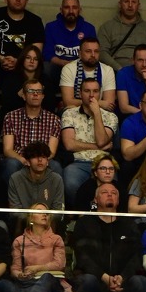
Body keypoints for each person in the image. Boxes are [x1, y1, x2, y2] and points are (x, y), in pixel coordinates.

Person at [72, 183, 146, 292]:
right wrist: (104, 277)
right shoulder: (84, 223)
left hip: (123, 282)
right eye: (105, 192)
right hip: (96, 280)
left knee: (141, 282)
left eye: (114, 193)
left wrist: (122, 277)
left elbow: (136, 256)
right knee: (87, 281)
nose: (110, 195)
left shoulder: (129, 224)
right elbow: (83, 257)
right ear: (95, 199)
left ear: (118, 200)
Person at [11, 205, 69, 292]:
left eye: (47, 213)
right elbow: (15, 268)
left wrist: (37, 268)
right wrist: (20, 274)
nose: (45, 215)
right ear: (31, 217)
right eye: (40, 212)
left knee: (46, 278)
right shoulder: (20, 241)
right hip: (29, 282)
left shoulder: (56, 239)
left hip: (53, 282)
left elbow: (59, 264)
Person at [60, 78, 117, 207]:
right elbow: (69, 145)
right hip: (78, 162)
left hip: (103, 163)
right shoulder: (69, 114)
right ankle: (82, 214)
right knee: (70, 181)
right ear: (80, 93)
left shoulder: (110, 116)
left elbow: (102, 140)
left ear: (100, 93)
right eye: (87, 91)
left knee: (111, 188)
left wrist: (97, 113)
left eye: (95, 91)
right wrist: (97, 147)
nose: (91, 95)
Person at [1, 79, 62, 182]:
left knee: (56, 166)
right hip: (19, 159)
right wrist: (23, 160)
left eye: (38, 91)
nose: (35, 94)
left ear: (43, 96)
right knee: (10, 164)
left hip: (43, 159)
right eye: (31, 91)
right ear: (24, 96)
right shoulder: (10, 117)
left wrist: (37, 161)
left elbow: (51, 152)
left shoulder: (54, 120)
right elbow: (8, 150)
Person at [97, 0, 146, 73]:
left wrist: (142, 68)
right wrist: (120, 69)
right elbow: (102, 52)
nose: (130, 5)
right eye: (126, 1)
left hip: (143, 71)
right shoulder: (107, 27)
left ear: (138, 5)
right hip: (115, 71)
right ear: (120, 4)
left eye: (133, 2)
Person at [42, 0, 97, 89]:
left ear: (79, 10)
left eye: (74, 7)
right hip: (58, 67)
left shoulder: (89, 28)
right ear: (61, 10)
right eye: (67, 7)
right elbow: (47, 54)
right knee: (46, 67)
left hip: (81, 67)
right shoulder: (51, 27)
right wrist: (63, 63)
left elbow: (92, 53)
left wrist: (76, 65)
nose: (71, 11)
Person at [7, 141, 65, 220]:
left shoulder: (56, 179)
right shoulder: (15, 178)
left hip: (48, 224)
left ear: (47, 161)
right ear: (28, 162)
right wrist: (34, 219)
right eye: (35, 157)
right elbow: (15, 212)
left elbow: (58, 211)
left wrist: (43, 219)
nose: (40, 160)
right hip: (23, 224)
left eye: (43, 157)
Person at [60, 37, 116, 113]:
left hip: (100, 112)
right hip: (75, 112)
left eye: (96, 51)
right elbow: (68, 102)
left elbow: (109, 105)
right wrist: (99, 103)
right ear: (80, 53)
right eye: (88, 51)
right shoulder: (69, 69)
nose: (93, 55)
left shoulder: (108, 70)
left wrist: (79, 102)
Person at [116, 44, 146, 119]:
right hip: (130, 116)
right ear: (133, 60)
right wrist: (144, 114)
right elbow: (124, 107)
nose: (144, 64)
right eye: (140, 60)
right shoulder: (123, 74)